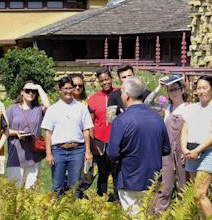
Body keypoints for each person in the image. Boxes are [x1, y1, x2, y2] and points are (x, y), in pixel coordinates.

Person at [107, 76, 170, 216]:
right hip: (152, 179)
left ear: (127, 95)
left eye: (122, 91)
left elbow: (112, 153)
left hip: (130, 178)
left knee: (133, 215)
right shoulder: (158, 118)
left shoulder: (121, 120)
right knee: (148, 215)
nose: (121, 94)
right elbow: (166, 149)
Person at [180, 75, 212, 218]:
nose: (201, 91)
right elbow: (185, 129)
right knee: (196, 194)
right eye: (199, 88)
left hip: (207, 153)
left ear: (211, 88)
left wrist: (198, 150)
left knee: (200, 193)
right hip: (191, 153)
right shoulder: (191, 108)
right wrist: (184, 148)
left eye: (204, 88)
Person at [41, 76, 93, 198]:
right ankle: (57, 211)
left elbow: (86, 131)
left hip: (77, 150)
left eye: (71, 88)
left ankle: (73, 211)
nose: (68, 91)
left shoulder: (81, 108)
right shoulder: (53, 109)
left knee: (74, 185)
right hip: (58, 150)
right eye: (65, 88)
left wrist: (88, 152)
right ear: (59, 90)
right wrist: (48, 154)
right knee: (57, 185)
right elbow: (48, 133)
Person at [146, 76, 190, 213]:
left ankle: (184, 213)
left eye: (176, 89)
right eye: (170, 90)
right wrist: (159, 86)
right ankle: (159, 214)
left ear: (182, 90)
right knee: (165, 187)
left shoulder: (190, 108)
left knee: (185, 186)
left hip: (183, 151)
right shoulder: (166, 108)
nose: (173, 92)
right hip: (167, 152)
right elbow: (147, 103)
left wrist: (188, 150)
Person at [6, 81, 49, 188]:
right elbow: (4, 129)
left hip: (34, 156)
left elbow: (48, 106)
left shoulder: (38, 109)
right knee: (14, 192)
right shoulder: (12, 109)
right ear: (22, 92)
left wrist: (39, 87)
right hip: (16, 155)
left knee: (31, 193)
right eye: (27, 91)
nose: (31, 93)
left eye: (33, 91)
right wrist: (15, 133)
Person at [87, 68, 118, 200]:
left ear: (111, 78)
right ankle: (101, 200)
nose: (105, 82)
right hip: (100, 141)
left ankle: (119, 200)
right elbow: (90, 123)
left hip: (117, 140)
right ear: (99, 82)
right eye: (102, 80)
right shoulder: (94, 99)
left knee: (117, 172)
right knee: (103, 172)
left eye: (107, 79)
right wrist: (93, 143)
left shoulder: (119, 93)